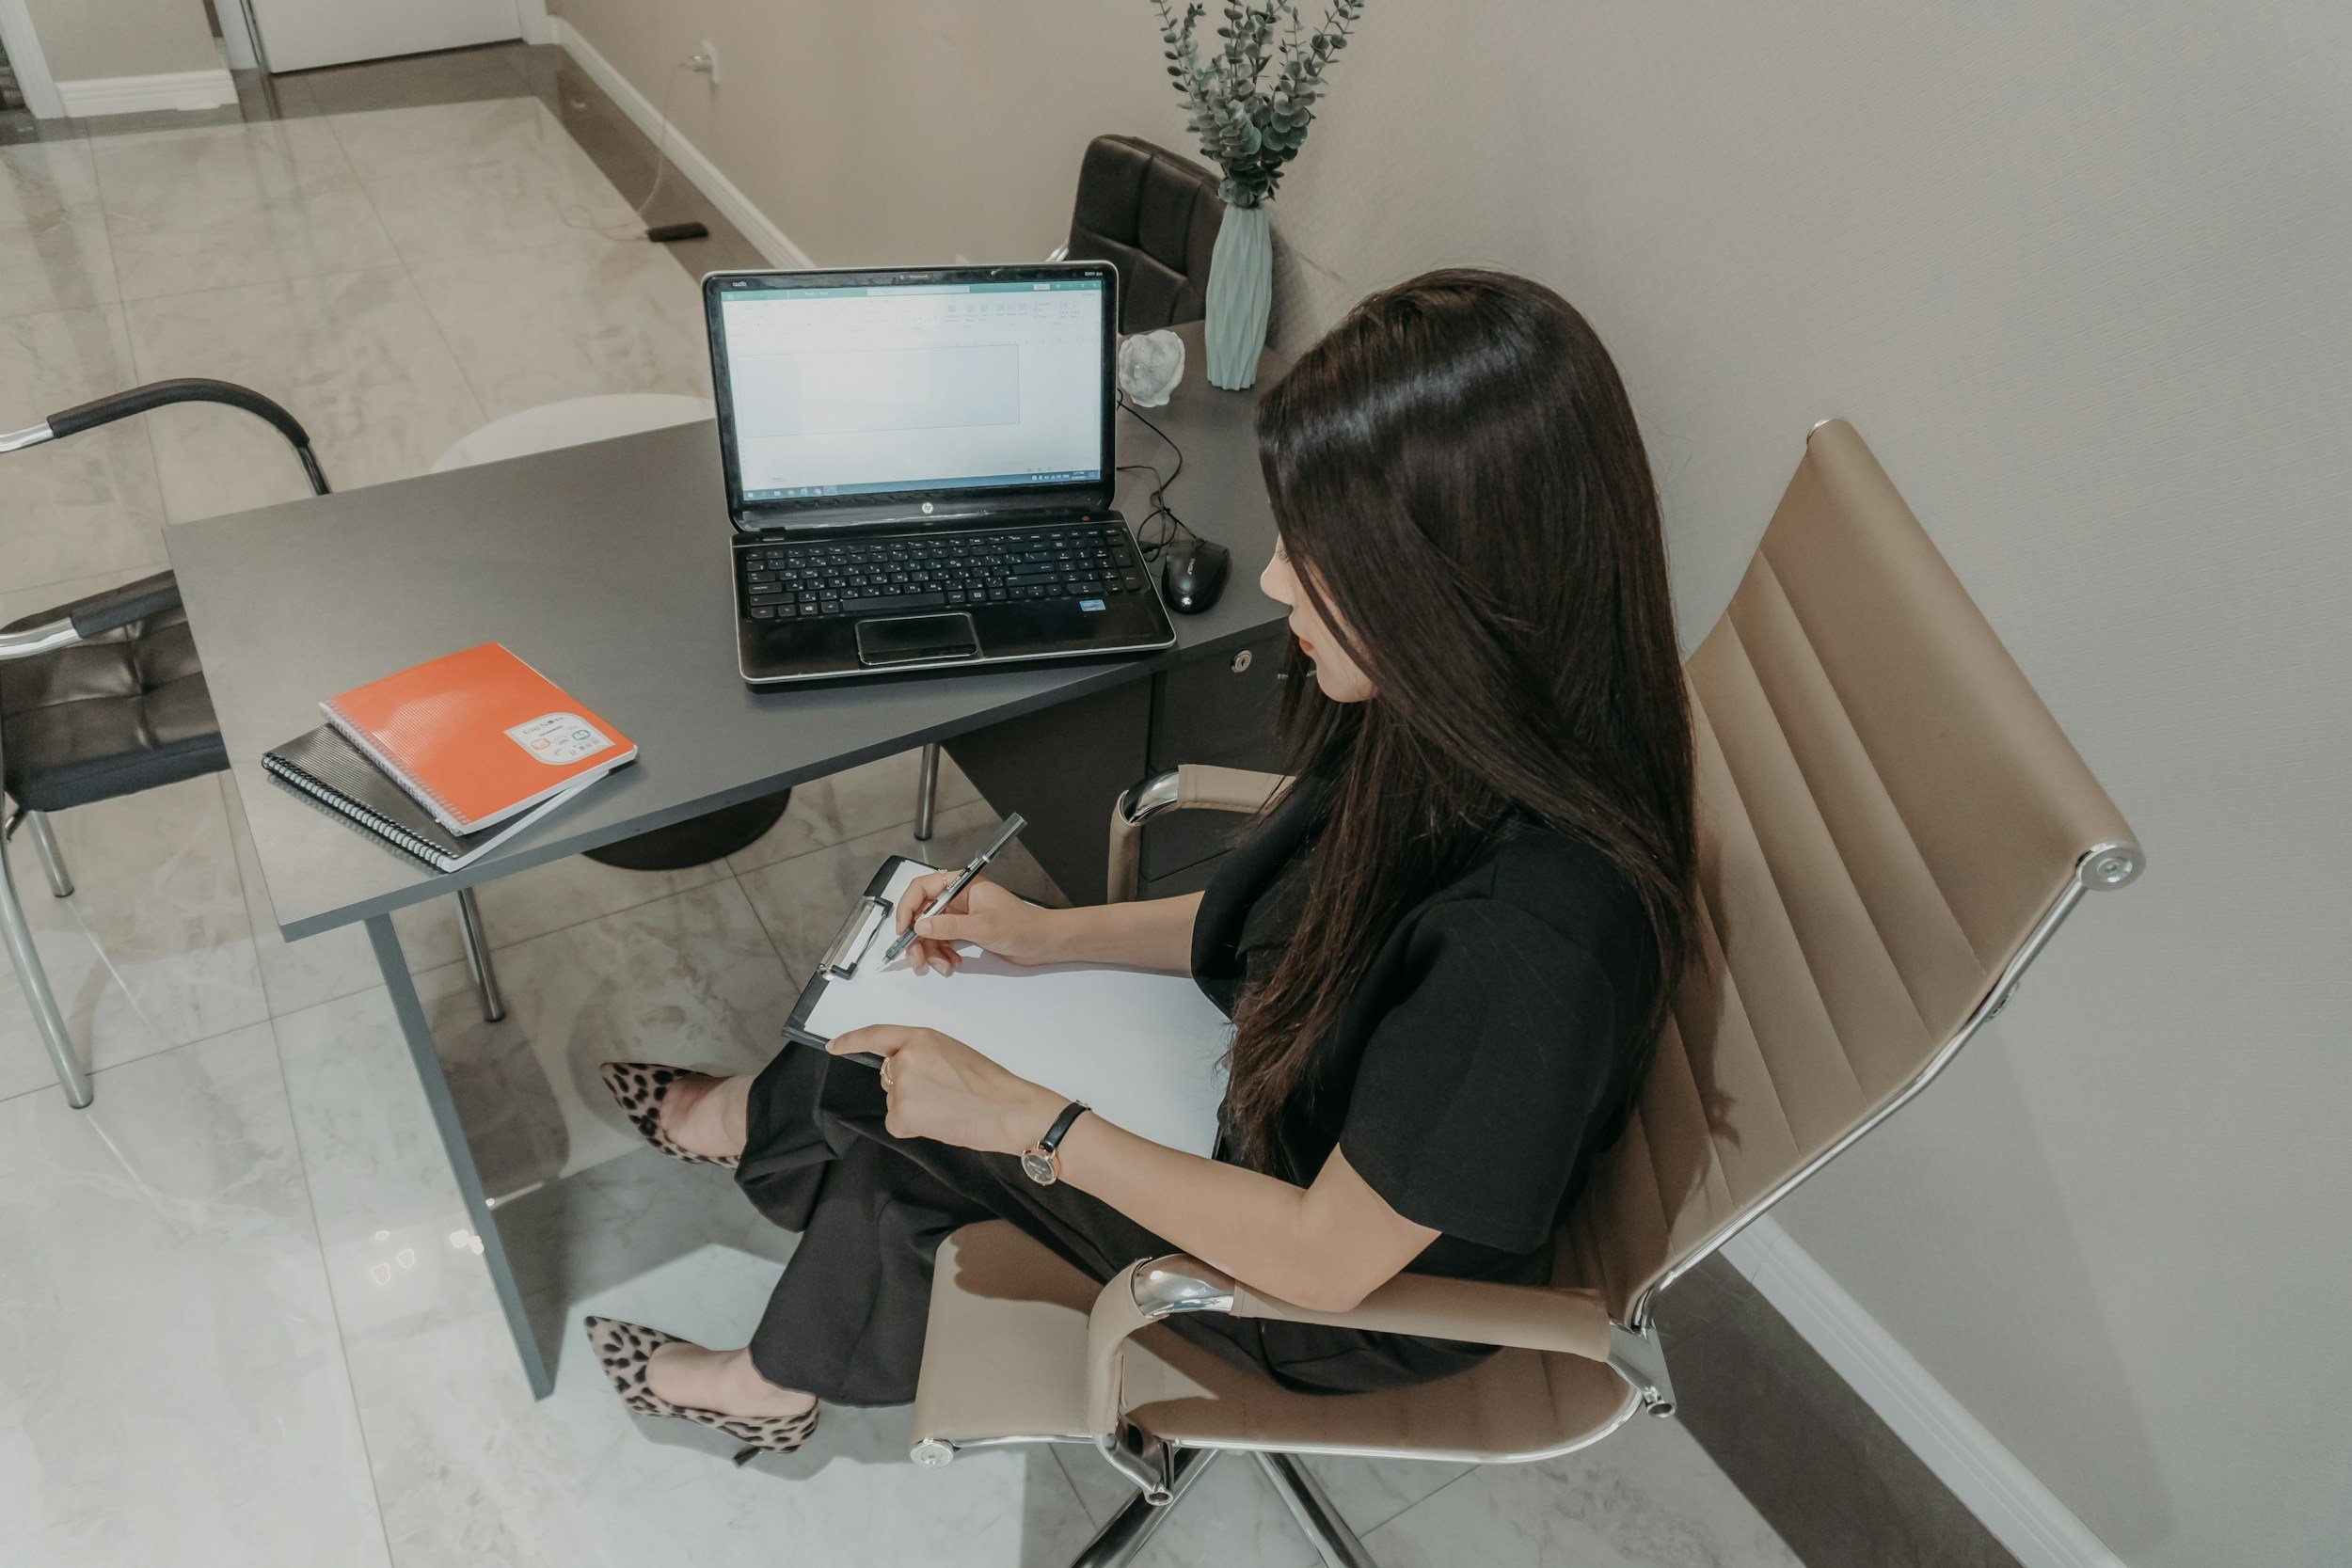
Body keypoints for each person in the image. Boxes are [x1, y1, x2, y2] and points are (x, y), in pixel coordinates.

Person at [586, 268, 1698, 1457]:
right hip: (1288, 1108)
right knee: (912, 996)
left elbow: (1327, 1261)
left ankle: (774, 1375)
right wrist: (1038, 934)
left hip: (1319, 1292)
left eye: (1319, 557)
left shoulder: (1532, 941)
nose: (1272, 580)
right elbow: (1291, 919)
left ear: (1447, 588)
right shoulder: (1465, 720)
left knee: (931, 1126)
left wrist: (1032, 1122)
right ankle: (756, 1122)